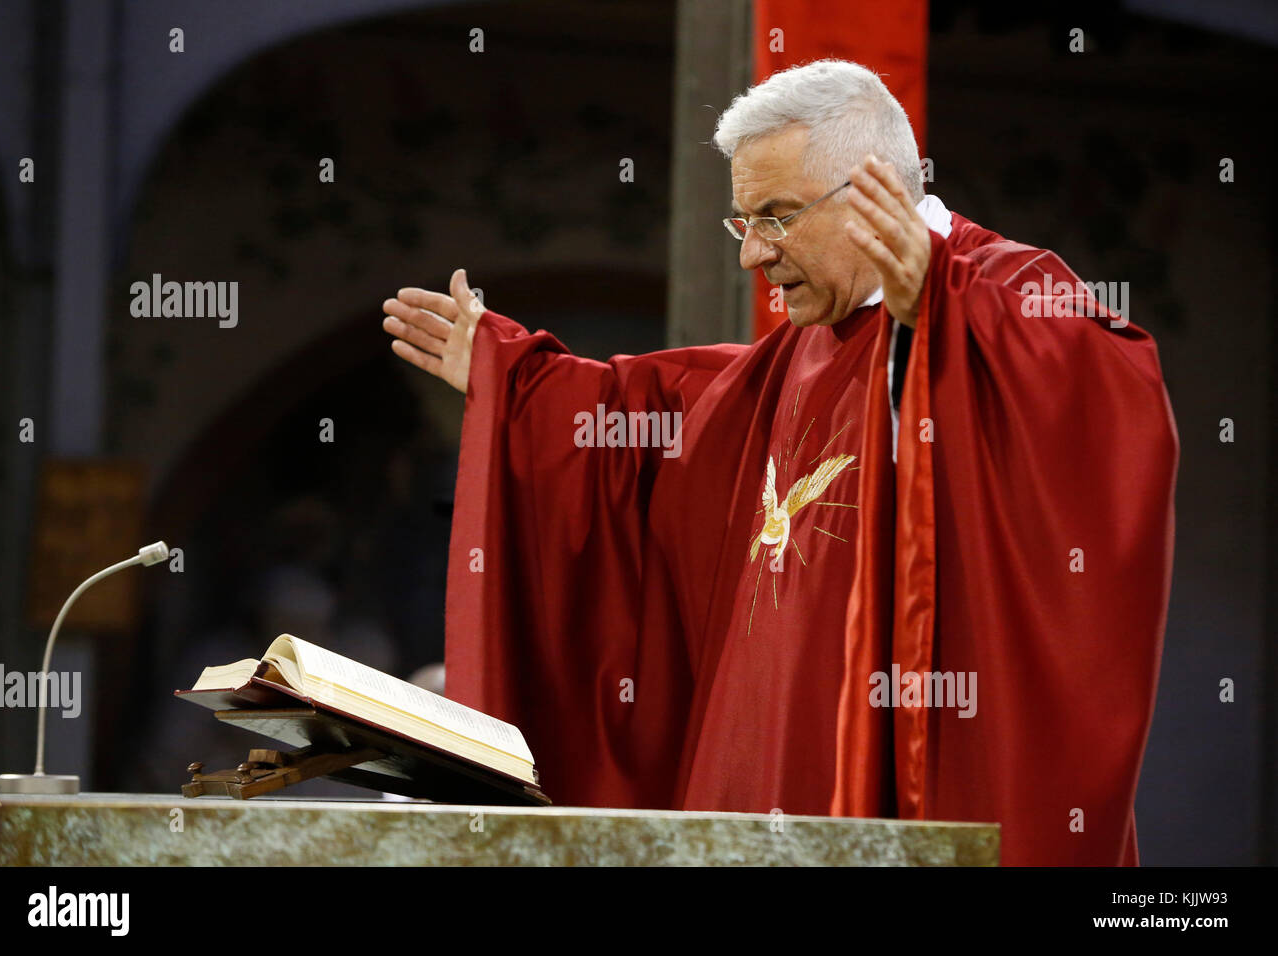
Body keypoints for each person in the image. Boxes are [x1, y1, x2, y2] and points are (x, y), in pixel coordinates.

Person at [379, 59, 1178, 866]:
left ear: (873, 194)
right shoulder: (799, 352)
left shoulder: (1009, 294)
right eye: (743, 223)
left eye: (776, 218)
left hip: (915, 797)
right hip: (758, 792)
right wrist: (517, 382)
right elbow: (670, 425)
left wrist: (944, 307)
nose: (751, 255)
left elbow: (1108, 400)